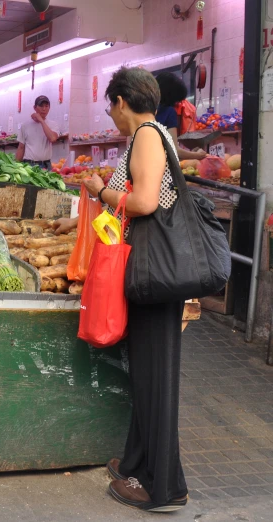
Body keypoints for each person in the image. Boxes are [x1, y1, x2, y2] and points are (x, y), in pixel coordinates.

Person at [76, 66, 188, 513]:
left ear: (122, 101)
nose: (111, 114)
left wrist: (102, 190)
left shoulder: (146, 134)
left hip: (155, 270)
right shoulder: (151, 134)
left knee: (155, 377)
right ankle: (139, 463)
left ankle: (165, 488)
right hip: (150, 268)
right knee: (146, 373)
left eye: (110, 106)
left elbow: (143, 202)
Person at [155, 72, 207, 161]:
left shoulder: (142, 109)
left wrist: (190, 154)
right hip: (159, 169)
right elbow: (174, 150)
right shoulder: (169, 112)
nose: (178, 104)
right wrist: (198, 155)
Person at [15, 95, 59, 170]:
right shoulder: (25, 125)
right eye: (41, 106)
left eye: (46, 106)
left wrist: (41, 121)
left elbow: (52, 138)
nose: (44, 109)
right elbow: (21, 147)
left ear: (49, 108)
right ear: (35, 108)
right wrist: (16, 167)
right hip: (29, 165)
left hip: (46, 165)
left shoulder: (53, 125)